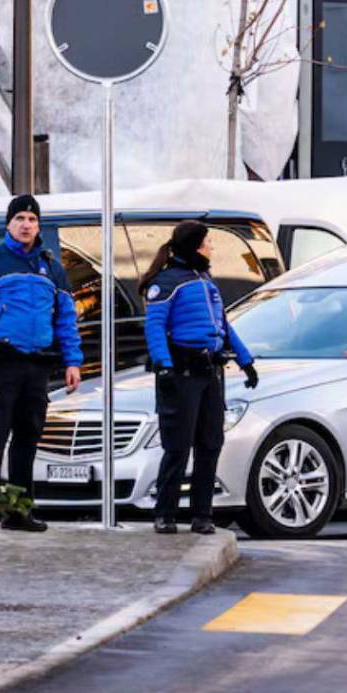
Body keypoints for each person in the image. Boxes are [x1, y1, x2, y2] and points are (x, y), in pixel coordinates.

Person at [0, 194, 83, 533]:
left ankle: (19, 511)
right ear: (8, 223)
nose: (26, 225)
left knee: (28, 437)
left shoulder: (51, 266)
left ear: (39, 225)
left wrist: (73, 361)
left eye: (32, 219)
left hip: (37, 364)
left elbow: (66, 318)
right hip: (0, 362)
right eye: (20, 218)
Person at [141, 221, 258, 535]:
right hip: (181, 373)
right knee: (177, 446)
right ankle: (165, 514)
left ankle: (202, 515)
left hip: (210, 373)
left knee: (209, 444)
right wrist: (163, 364)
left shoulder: (205, 279)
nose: (211, 247)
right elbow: (154, 326)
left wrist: (245, 360)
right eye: (207, 242)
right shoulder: (167, 282)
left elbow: (223, 324)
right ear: (195, 245)